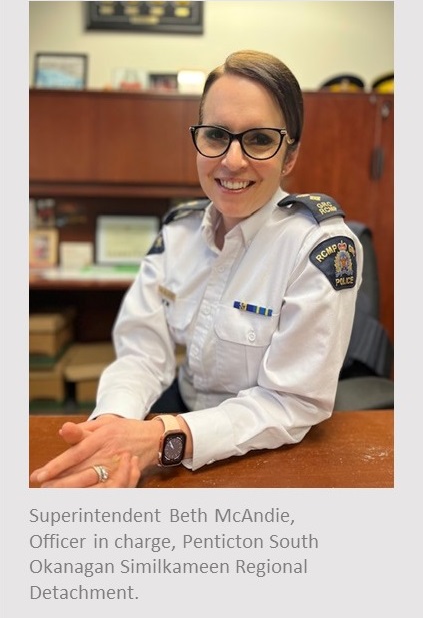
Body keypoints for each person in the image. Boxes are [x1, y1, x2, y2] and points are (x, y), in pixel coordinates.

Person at [30, 49, 362, 488]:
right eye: (216, 135)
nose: (232, 160)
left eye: (259, 139)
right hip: (175, 431)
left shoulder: (317, 246)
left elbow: (291, 403)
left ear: (290, 156)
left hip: (269, 454)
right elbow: (142, 352)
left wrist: (160, 438)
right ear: (198, 139)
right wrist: (112, 429)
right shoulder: (178, 233)